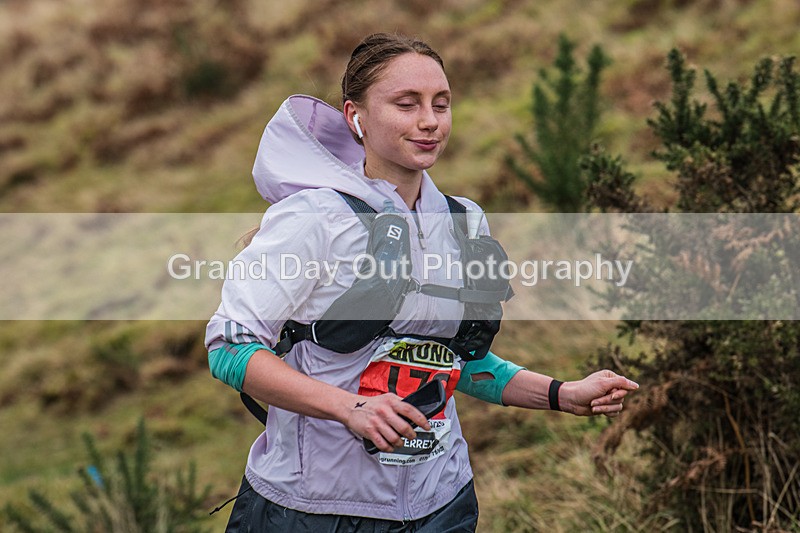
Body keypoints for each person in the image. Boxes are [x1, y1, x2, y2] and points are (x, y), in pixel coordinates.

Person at [205, 33, 639, 532]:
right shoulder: (311, 218)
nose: (430, 121)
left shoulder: (464, 222)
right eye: (406, 104)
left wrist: (563, 394)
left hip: (442, 505)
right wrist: (351, 408)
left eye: (441, 104)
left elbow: (460, 363)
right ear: (356, 117)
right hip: (312, 509)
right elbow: (230, 350)